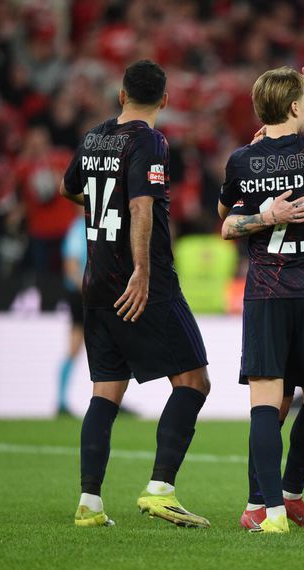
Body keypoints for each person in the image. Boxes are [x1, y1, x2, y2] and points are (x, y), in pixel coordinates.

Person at [60, 59, 211, 529]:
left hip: (96, 281)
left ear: (121, 95)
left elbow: (68, 188)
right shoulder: (150, 140)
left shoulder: (93, 137)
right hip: (143, 283)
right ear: (164, 99)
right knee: (194, 381)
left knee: (105, 392)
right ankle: (160, 490)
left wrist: (104, 203)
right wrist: (142, 271)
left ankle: (89, 502)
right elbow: (142, 206)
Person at [218, 67, 304, 534]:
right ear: (295, 106)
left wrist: (264, 215)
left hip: (266, 295)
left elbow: (226, 221)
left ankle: (271, 513)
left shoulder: (242, 160)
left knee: (266, 403)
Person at [57, 209, 86, 416]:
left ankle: (113, 398)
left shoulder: (83, 227)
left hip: (87, 293)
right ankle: (61, 400)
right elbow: (71, 267)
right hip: (82, 295)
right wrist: (87, 289)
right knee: (77, 346)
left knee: (107, 346)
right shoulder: (78, 229)